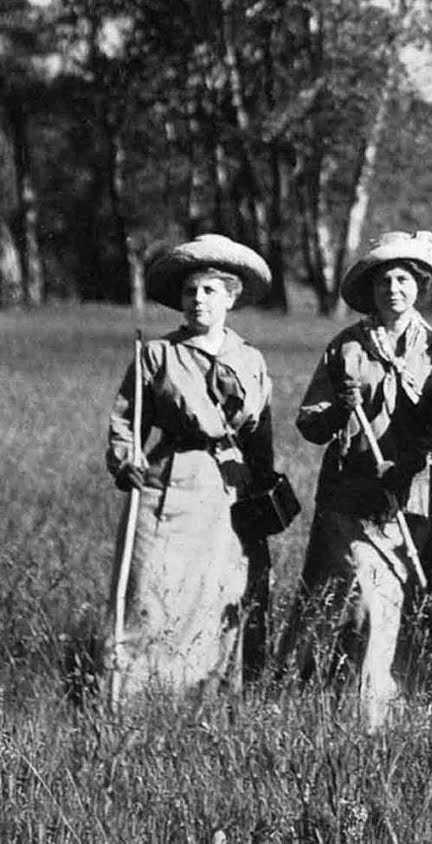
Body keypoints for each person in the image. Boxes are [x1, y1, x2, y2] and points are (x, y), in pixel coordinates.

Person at [288, 230, 432, 728]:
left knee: (404, 600)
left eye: (404, 279)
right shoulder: (346, 347)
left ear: (419, 287)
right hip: (350, 494)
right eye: (385, 280)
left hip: (409, 497)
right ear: (371, 289)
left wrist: (406, 468)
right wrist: (339, 410)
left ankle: (404, 707)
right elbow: (310, 423)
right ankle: (354, 708)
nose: (394, 289)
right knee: (362, 595)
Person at [104, 232, 276, 702]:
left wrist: (264, 492)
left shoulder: (250, 359)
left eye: (209, 291)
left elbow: (261, 435)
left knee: (221, 592)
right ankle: (138, 698)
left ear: (230, 298)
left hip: (230, 488)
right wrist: (127, 461)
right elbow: (127, 421)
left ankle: (213, 699)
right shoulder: (157, 355)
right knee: (154, 592)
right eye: (190, 291)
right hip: (170, 485)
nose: (198, 300)